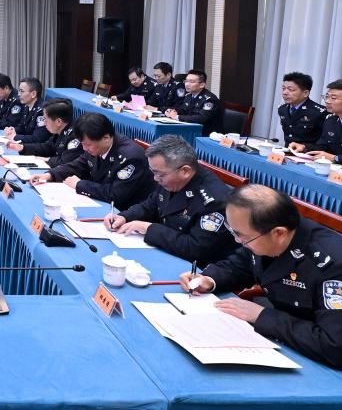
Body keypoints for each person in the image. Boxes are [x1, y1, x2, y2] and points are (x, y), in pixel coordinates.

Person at [181, 184, 342, 393]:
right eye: (233, 231)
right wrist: (209, 279)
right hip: (296, 345)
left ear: (279, 233)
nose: (237, 241)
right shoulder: (266, 236)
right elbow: (243, 263)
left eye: (242, 236)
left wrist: (262, 316)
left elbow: (336, 347)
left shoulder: (341, 268)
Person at [105, 135, 236, 264]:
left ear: (185, 171)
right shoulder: (170, 178)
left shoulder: (214, 200)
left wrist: (148, 228)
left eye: (159, 174)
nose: (155, 178)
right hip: (167, 250)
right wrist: (124, 216)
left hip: (193, 267)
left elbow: (195, 248)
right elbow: (151, 205)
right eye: (153, 172)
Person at [45, 112, 154, 210]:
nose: (84, 148)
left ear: (106, 138)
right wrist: (51, 174)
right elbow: (80, 164)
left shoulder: (131, 157)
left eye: (88, 144)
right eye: (82, 144)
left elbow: (116, 195)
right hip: (102, 202)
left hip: (125, 211)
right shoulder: (96, 146)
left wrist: (80, 185)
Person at [18, 99, 85, 173]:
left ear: (58, 121)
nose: (44, 123)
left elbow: (65, 162)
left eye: (46, 119)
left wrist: (45, 159)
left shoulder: (75, 136)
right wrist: (23, 147)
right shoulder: (60, 130)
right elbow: (47, 147)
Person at [165, 69, 223, 136]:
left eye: (191, 82)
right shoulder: (188, 95)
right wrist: (172, 111)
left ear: (202, 85)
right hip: (191, 128)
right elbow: (183, 110)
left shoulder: (209, 99)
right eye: (186, 81)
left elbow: (201, 118)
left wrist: (177, 117)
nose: (187, 84)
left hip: (206, 133)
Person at [278, 72, 327, 149]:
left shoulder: (319, 112)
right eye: (283, 88)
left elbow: (324, 143)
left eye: (290, 89)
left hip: (308, 153)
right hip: (287, 151)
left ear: (305, 93)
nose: (285, 93)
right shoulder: (282, 109)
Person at [3, 77, 47, 143]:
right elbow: (22, 127)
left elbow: (37, 138)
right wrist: (12, 130)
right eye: (19, 91)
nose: (18, 94)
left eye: (22, 91)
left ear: (33, 94)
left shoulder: (42, 111)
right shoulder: (27, 106)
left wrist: (15, 137)